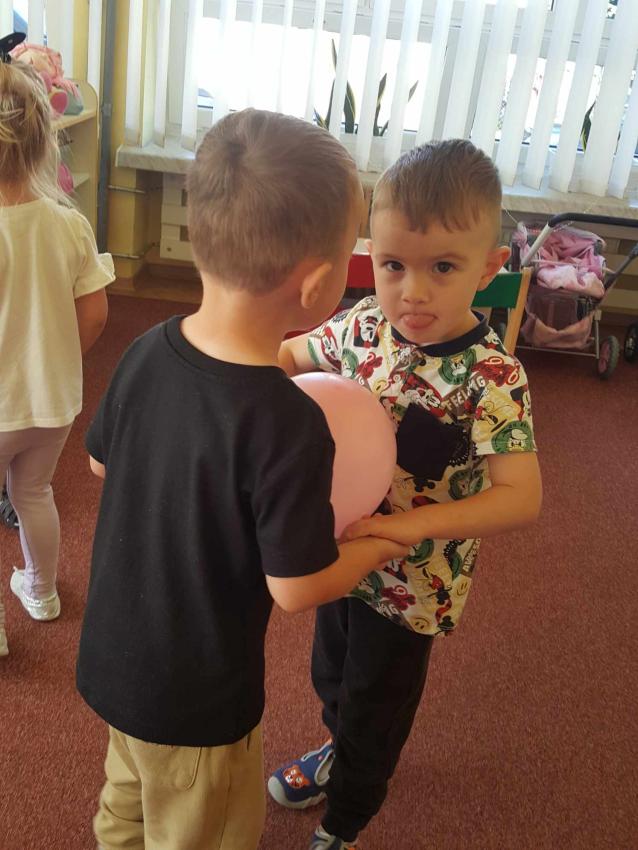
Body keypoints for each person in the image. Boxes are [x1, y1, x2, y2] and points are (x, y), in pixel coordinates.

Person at [76, 108, 409, 850]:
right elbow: (296, 587)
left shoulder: (145, 349)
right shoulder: (290, 422)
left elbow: (100, 461)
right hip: (199, 704)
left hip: (114, 663)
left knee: (125, 810)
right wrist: (376, 548)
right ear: (319, 285)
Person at [269, 139, 543, 849]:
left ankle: (347, 819)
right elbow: (291, 354)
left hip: (414, 584)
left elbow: (520, 496)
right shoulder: (364, 325)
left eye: (442, 267)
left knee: (376, 708)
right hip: (339, 557)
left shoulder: (493, 377)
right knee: (331, 675)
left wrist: (409, 529)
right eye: (393, 265)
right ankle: (335, 749)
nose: (412, 292)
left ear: (489, 268)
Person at [0, 58, 112, 658]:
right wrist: (62, 356)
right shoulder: (69, 224)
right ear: (45, 140)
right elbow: (94, 315)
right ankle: (41, 592)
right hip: (52, 401)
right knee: (34, 493)